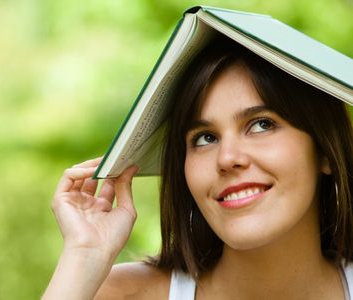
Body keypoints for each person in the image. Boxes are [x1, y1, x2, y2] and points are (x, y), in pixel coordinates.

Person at [42, 33, 353, 299]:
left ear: (324, 149)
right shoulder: (122, 294)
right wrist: (84, 256)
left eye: (261, 125)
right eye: (205, 138)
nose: (227, 158)